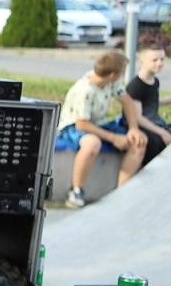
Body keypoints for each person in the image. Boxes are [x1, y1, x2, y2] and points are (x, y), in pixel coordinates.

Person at [57, 48, 146, 208]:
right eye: (122, 72)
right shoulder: (85, 90)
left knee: (138, 141)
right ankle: (76, 191)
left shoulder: (111, 82)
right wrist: (114, 138)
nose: (122, 75)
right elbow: (82, 124)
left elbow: (127, 101)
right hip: (74, 126)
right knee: (92, 144)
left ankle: (122, 192)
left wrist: (133, 128)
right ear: (113, 75)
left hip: (99, 123)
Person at [125, 38, 170, 169]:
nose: (159, 63)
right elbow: (137, 117)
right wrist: (162, 132)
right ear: (142, 61)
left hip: (153, 121)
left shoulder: (154, 81)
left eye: (162, 59)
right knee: (156, 141)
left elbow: (151, 103)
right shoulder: (136, 86)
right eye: (154, 60)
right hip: (140, 125)